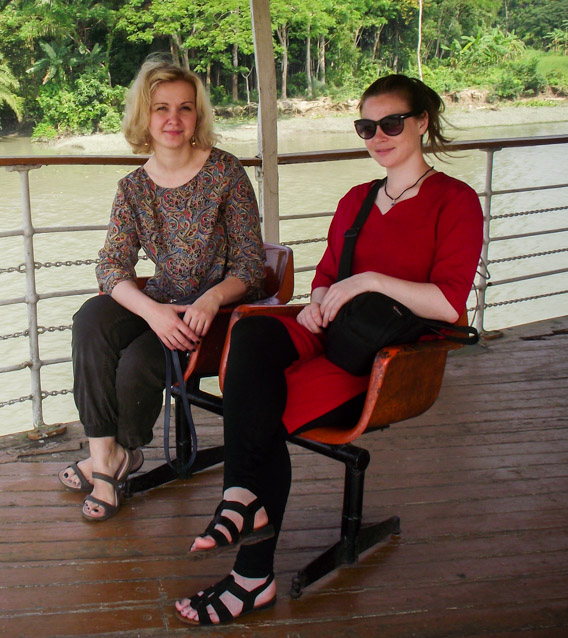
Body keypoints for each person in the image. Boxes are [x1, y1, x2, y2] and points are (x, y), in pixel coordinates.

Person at [173, 74, 484, 625]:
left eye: (391, 123)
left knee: (261, 413)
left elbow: (448, 304)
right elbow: (324, 276)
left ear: (421, 122)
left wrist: (367, 282)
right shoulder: (358, 199)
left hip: (378, 362)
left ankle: (252, 576)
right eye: (367, 126)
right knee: (250, 332)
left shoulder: (454, 200)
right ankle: (243, 500)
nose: (378, 136)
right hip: (329, 333)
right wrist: (318, 299)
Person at [58, 56, 266, 522]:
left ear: (198, 117)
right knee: (89, 320)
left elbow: (251, 266)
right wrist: (153, 312)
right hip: (164, 302)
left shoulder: (226, 173)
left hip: (216, 311)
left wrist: (210, 299)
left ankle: (117, 457)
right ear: (144, 118)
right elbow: (111, 265)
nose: (173, 119)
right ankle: (107, 456)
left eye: (185, 108)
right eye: (161, 108)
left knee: (136, 362)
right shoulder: (133, 188)